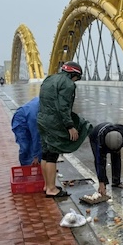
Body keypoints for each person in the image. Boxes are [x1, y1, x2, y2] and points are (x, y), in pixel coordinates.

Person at [37, 61, 92, 198]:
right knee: (52, 154)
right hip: (54, 122)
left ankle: (46, 185)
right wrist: (70, 126)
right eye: (76, 78)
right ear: (73, 74)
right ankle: (51, 188)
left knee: (45, 153)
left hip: (42, 119)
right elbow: (63, 107)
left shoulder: (49, 78)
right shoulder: (68, 84)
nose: (75, 81)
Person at [89, 122, 123, 197]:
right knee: (100, 159)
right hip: (94, 136)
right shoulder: (100, 143)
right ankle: (103, 185)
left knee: (116, 157)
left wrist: (118, 148)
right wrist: (101, 182)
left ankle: (116, 182)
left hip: (113, 137)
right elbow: (100, 163)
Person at [11, 97, 42, 166]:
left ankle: (36, 163)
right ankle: (25, 166)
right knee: (25, 147)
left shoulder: (44, 102)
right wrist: (36, 156)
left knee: (37, 145)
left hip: (28, 116)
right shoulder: (35, 116)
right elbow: (36, 135)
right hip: (20, 121)